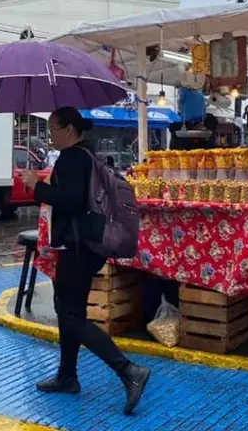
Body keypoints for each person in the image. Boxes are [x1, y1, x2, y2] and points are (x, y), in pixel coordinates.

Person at [19, 107, 150, 416]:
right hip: (85, 247)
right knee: (68, 311)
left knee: (71, 315)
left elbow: (71, 200)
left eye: (53, 128)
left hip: (77, 247)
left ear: (69, 129)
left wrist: (36, 186)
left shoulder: (72, 158)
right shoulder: (86, 155)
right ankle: (67, 375)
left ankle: (129, 371)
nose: (50, 135)